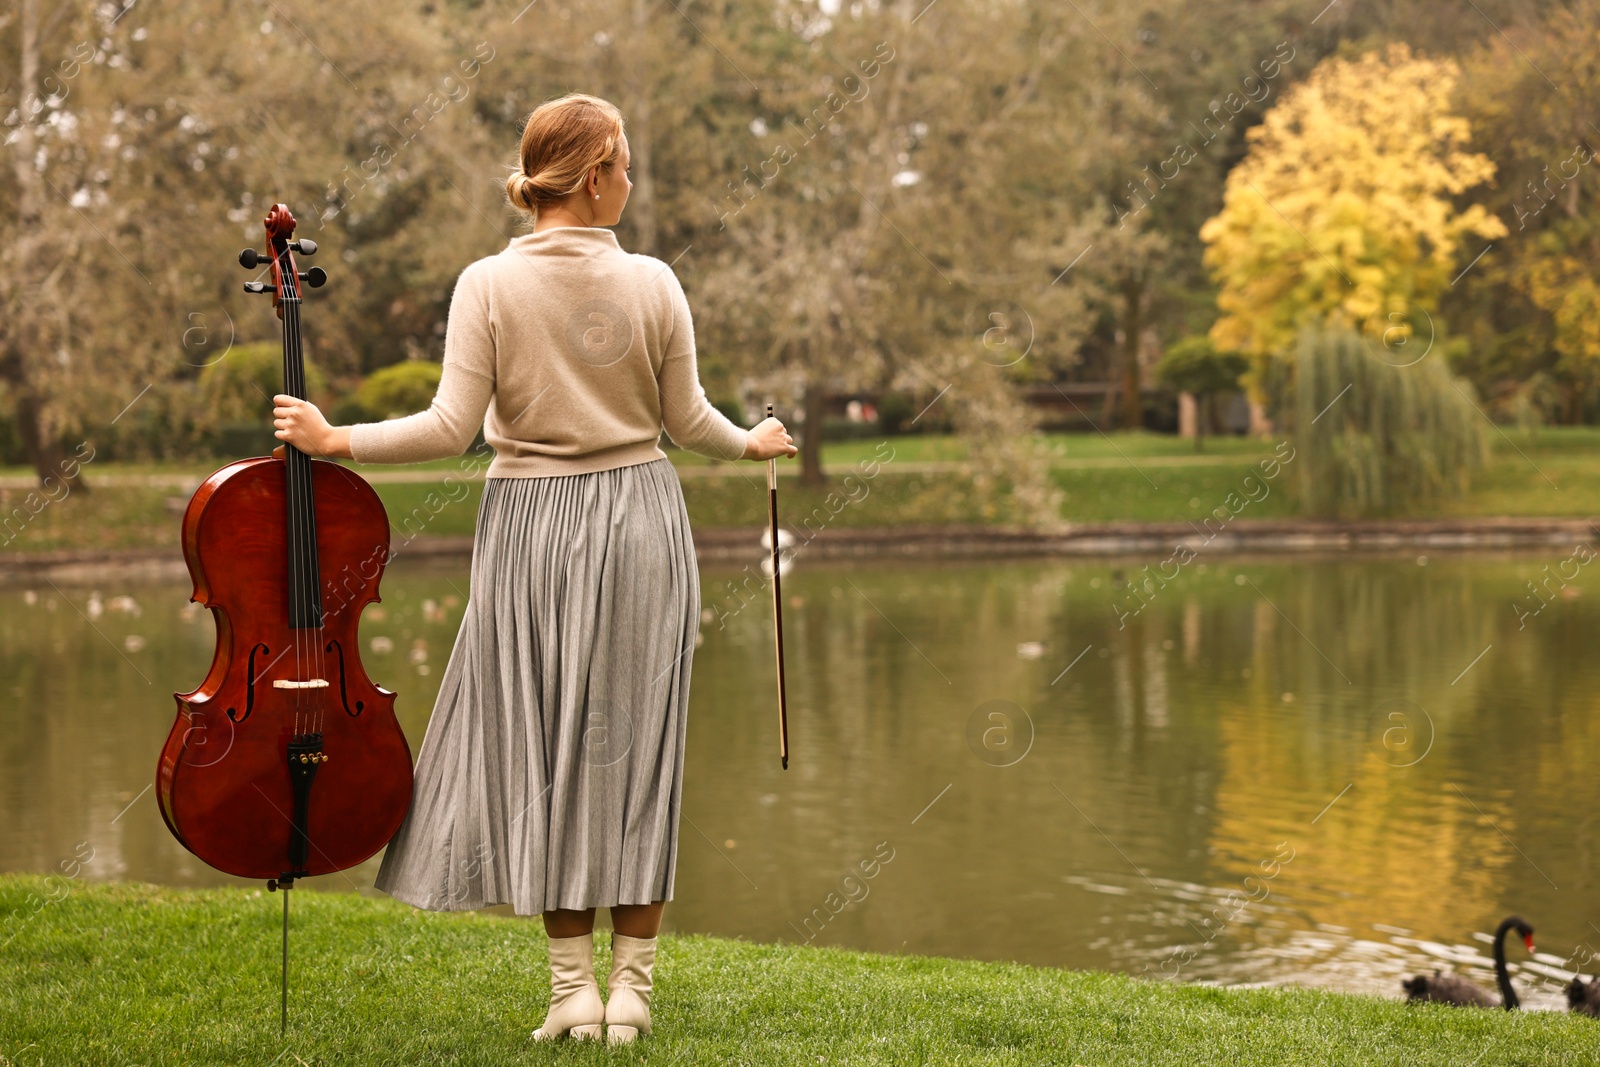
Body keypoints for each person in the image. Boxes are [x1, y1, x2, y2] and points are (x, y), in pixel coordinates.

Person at [271, 92, 795, 1045]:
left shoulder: (485, 284)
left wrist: (331, 435)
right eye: (625, 165)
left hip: (527, 530)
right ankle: (631, 988)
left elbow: (445, 429)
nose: (632, 181)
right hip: (641, 520)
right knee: (639, 750)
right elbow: (690, 425)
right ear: (594, 176)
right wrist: (752, 442)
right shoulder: (656, 282)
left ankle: (571, 992)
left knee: (542, 748)